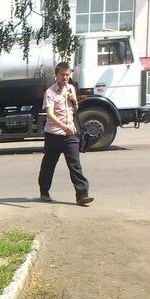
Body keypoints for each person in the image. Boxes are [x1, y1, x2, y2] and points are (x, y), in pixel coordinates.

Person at [38, 62, 94, 206]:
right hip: (54, 135)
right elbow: (49, 114)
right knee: (48, 165)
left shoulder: (71, 88)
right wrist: (63, 126)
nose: (65, 77)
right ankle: (44, 191)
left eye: (67, 75)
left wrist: (75, 101)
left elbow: (75, 108)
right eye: (62, 74)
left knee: (75, 165)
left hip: (71, 135)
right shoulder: (50, 92)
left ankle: (82, 195)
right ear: (56, 75)